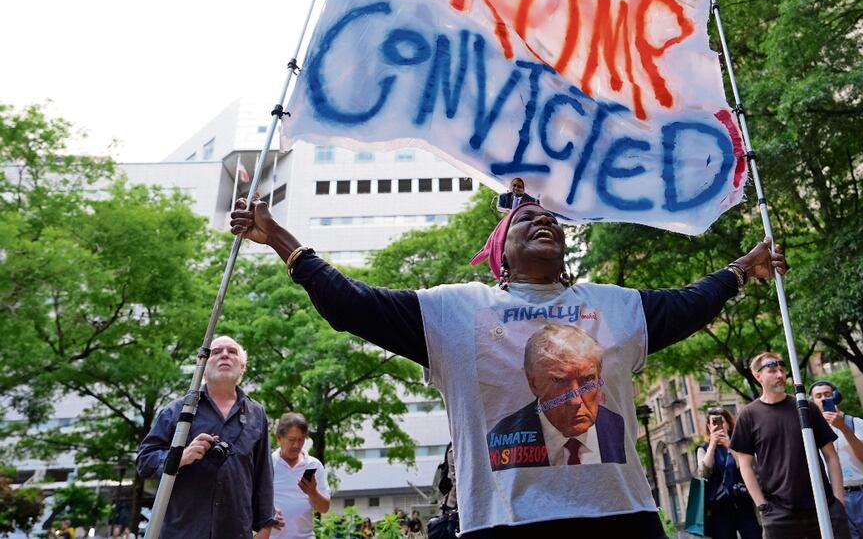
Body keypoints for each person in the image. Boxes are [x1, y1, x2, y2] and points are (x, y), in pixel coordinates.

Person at [229, 197, 786, 537]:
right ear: (501, 253)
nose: (543, 221)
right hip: (503, 524)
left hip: (622, 517)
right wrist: (278, 237)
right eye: (526, 220)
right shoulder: (454, 310)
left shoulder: (616, 305)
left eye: (550, 220)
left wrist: (743, 268)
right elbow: (352, 304)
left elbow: (692, 300)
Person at [136, 335, 280, 539]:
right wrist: (180, 457)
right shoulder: (176, 411)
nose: (224, 356)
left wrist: (265, 526)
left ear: (242, 366)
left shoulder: (257, 414)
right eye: (216, 352)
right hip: (183, 530)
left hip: (236, 531)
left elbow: (263, 474)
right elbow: (144, 461)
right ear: (202, 365)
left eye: (232, 352)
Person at [729, 353, 851, 539]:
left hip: (823, 507)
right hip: (778, 514)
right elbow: (745, 465)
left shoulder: (806, 407)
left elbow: (831, 456)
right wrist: (762, 506)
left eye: (781, 370)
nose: (780, 375)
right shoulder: (748, 415)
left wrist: (838, 501)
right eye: (772, 371)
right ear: (758, 376)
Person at [486, 323, 625, 468]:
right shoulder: (500, 441)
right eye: (559, 380)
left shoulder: (620, 429)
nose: (575, 401)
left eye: (587, 379)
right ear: (533, 383)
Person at [809, 380, 863, 539]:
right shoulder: (811, 431)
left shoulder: (855, 423)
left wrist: (843, 427)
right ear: (812, 401)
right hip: (834, 495)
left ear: (835, 397)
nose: (823, 398)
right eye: (818, 396)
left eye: (827, 394)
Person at [696, 408, 761, 539]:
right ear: (709, 426)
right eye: (713, 422)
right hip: (719, 507)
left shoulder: (739, 444)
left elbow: (745, 466)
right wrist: (712, 445)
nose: (718, 425)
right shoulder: (703, 449)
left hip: (744, 502)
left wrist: (729, 445)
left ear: (728, 424)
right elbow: (704, 472)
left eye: (722, 421)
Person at [271, 412, 331, 538]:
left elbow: (324, 508)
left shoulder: (314, 465)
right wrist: (266, 514)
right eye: (292, 440)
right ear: (279, 438)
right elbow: (250, 501)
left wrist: (312, 492)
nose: (296, 445)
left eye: (301, 439)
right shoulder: (267, 464)